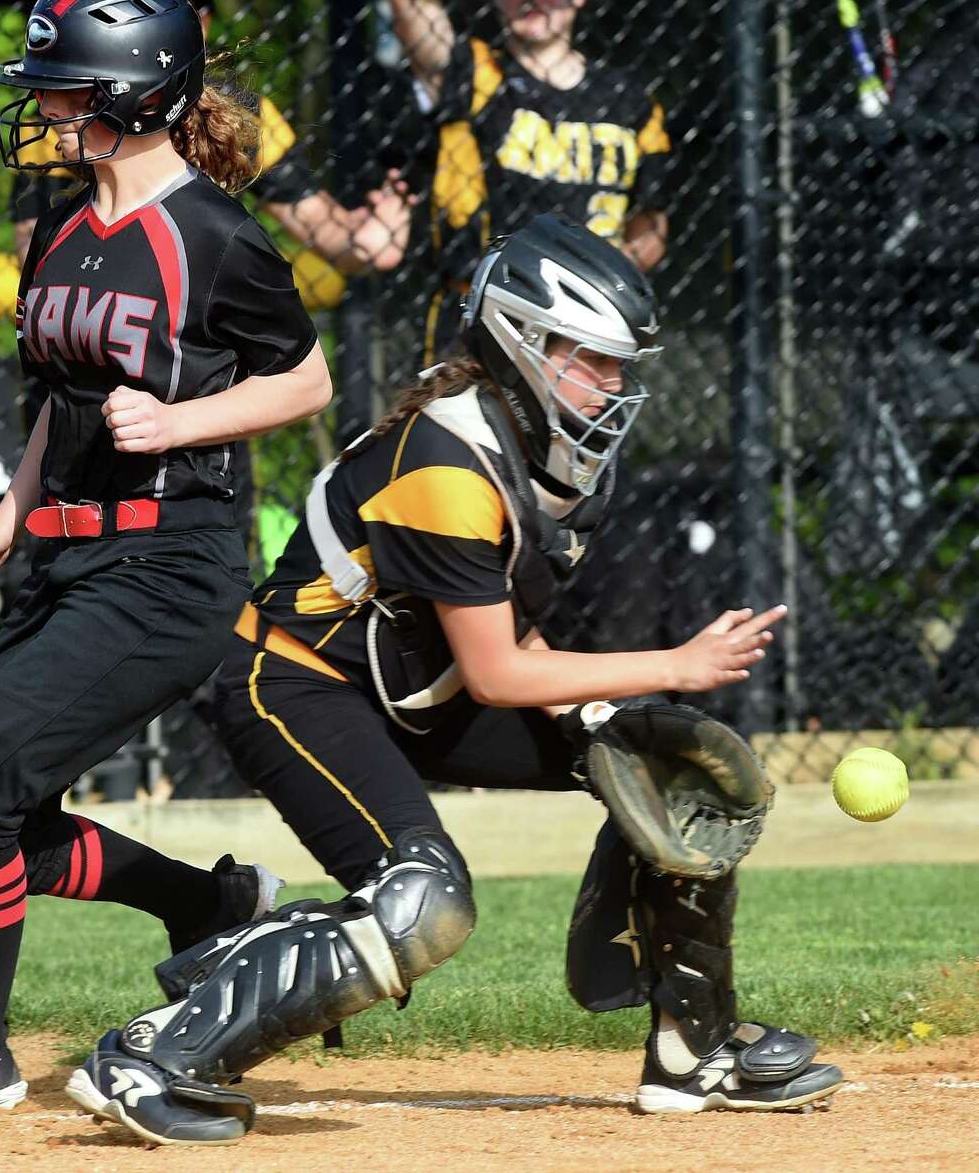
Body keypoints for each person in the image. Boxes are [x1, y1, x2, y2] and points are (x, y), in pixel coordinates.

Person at [61, 216, 844, 1146]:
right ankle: (157, 1054)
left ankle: (693, 1053)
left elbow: (504, 627)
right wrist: (679, 665)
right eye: (592, 359)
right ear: (521, 343)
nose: (616, 383)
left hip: (409, 681)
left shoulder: (550, 454)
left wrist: (617, 720)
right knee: (422, 899)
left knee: (672, 769)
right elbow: (498, 668)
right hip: (293, 682)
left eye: (619, 364)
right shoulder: (442, 463)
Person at [0, 0, 332, 1119]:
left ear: (136, 92)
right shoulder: (61, 230)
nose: (49, 112)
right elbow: (59, 407)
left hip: (172, 565)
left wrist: (182, 419)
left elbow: (307, 379)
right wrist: (3, 521)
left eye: (67, 89)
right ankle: (208, 906)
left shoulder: (216, 235)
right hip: (67, 558)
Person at [12, 0, 416, 296]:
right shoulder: (67, 115)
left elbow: (316, 224)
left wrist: (366, 242)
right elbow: (38, 258)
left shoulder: (239, 110)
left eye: (189, 6)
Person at [387, 0, 671, 364]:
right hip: (480, 323)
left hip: (589, 328)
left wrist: (601, 278)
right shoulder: (475, 73)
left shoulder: (632, 102)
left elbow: (651, 228)